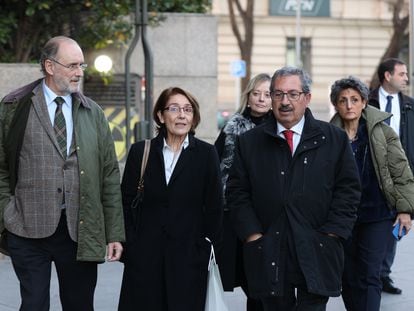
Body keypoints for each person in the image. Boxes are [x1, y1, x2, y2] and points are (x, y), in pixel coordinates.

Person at [0, 36, 124, 310]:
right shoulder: (14, 107)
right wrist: (6, 213)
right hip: (27, 228)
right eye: (72, 65)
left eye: (81, 65)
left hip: (80, 231)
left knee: (79, 305)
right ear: (49, 66)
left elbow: (109, 176)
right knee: (33, 305)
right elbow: (1, 169)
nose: (79, 72)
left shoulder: (94, 113)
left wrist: (114, 232)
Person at [226, 66, 361, 311]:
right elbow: (237, 193)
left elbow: (348, 190)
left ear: (307, 98)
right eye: (277, 94)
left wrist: (333, 232)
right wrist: (252, 235)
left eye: (292, 94)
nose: (284, 101)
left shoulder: (333, 139)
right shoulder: (249, 142)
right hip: (269, 248)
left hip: (317, 246)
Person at [118, 87, 223, 311]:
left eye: (188, 110)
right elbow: (125, 202)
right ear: (160, 115)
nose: (182, 115)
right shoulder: (141, 152)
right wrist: (131, 246)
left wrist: (203, 248)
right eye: (174, 109)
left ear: (194, 118)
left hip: (188, 258)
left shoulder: (206, 154)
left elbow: (215, 206)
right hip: (144, 258)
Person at [330, 76, 414, 310]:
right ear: (335, 104)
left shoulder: (382, 132)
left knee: (369, 274)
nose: (349, 105)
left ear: (364, 102)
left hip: (376, 215)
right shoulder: (327, 136)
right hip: (342, 217)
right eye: (343, 100)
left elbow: (401, 172)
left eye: (354, 99)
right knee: (347, 277)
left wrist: (405, 210)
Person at [215, 73, 272, 311]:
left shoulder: (278, 128)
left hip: (267, 213)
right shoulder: (232, 127)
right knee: (249, 277)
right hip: (236, 211)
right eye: (256, 93)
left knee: (263, 280)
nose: (261, 99)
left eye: (267, 94)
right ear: (248, 97)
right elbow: (216, 166)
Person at [368, 58, 414, 295]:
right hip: (371, 171)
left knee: (396, 224)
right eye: (402, 74)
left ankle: (383, 274)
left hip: (399, 174)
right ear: (388, 76)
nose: (406, 78)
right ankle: (368, 272)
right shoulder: (367, 99)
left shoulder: (409, 105)